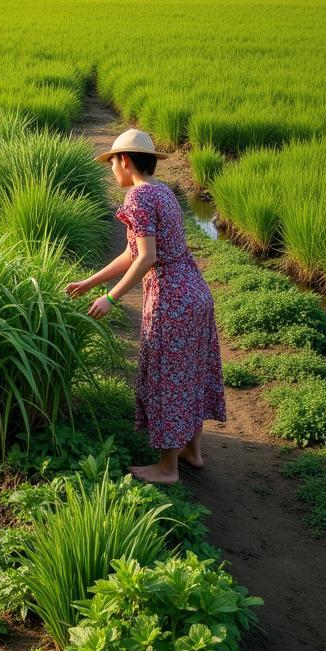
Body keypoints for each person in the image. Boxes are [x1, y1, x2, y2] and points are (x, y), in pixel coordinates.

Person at [66, 128, 226, 484]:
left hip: (172, 299)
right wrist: (92, 282)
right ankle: (192, 453)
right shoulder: (163, 191)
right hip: (194, 292)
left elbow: (146, 257)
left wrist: (111, 298)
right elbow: (132, 252)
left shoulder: (137, 199)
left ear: (124, 161)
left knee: (168, 377)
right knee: (190, 373)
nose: (111, 170)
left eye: (112, 163)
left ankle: (168, 469)